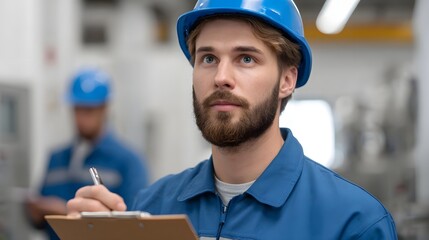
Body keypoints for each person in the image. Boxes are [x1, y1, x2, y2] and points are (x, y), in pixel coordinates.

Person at [67, 0, 398, 239]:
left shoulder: (353, 223)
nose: (221, 77)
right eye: (208, 58)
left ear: (287, 80)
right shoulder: (152, 208)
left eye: (246, 58)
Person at [26, 68, 149, 240]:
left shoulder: (128, 161)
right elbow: (36, 220)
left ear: (104, 108)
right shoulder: (56, 158)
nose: (81, 118)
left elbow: (135, 223)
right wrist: (36, 212)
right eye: (77, 109)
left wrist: (66, 212)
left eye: (89, 110)